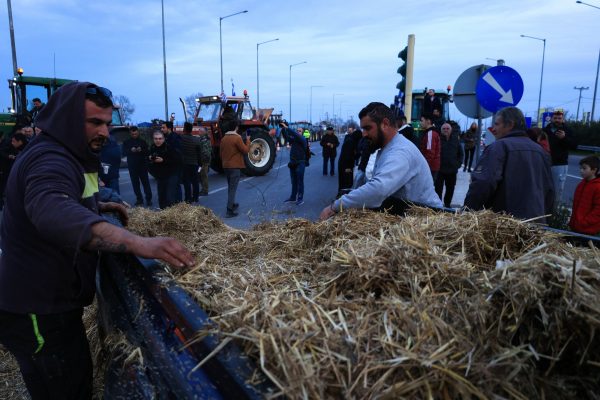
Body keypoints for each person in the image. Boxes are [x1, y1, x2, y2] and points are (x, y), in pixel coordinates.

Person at [0, 82, 195, 400]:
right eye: (94, 122)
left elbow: (69, 196)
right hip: (36, 310)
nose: (105, 132)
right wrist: (137, 243)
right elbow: (54, 212)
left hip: (53, 303)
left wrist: (99, 205)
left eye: (107, 123)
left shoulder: (71, 154)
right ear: (67, 120)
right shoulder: (51, 159)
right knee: (64, 389)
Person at [320, 102, 441, 220]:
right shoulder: (387, 148)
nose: (364, 134)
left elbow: (378, 189)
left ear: (385, 124)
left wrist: (335, 206)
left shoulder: (400, 152)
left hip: (426, 223)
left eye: (368, 128)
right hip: (409, 220)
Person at [464, 106, 554, 221]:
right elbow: (550, 191)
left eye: (497, 124)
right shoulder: (540, 151)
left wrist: (468, 212)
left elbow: (483, 183)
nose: (493, 128)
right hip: (535, 225)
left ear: (510, 125)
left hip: (505, 226)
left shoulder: (498, 147)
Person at [543, 110, 576, 207]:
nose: (557, 120)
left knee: (557, 191)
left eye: (559, 118)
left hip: (560, 164)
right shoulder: (546, 130)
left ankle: (554, 215)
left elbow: (574, 145)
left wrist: (564, 138)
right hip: (545, 163)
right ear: (551, 119)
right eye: (555, 118)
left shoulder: (568, 131)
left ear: (563, 119)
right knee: (544, 189)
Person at [219, 116, 250, 217]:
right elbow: (245, 151)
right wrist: (248, 141)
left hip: (226, 166)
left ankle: (232, 204)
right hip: (235, 167)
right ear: (236, 127)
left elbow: (220, 153)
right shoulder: (237, 138)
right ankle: (229, 211)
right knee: (233, 189)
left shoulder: (224, 138)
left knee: (230, 187)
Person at [568, 155, 600, 235]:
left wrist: (584, 222)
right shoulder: (581, 184)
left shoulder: (598, 187)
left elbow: (598, 210)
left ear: (594, 170)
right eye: (580, 168)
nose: (581, 171)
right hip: (576, 227)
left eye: (584, 168)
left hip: (588, 230)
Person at [148, 131, 180, 209]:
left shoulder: (169, 148)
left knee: (170, 198)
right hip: (160, 177)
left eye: (160, 138)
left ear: (163, 139)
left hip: (171, 175)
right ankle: (163, 215)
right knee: (162, 198)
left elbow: (177, 161)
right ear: (153, 139)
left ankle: (172, 215)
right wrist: (150, 159)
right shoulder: (152, 148)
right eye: (156, 139)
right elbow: (147, 161)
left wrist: (163, 160)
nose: (158, 140)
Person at [122, 126, 152, 206]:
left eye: (135, 133)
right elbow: (123, 152)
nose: (134, 135)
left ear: (138, 132)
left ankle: (148, 199)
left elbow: (148, 152)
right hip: (132, 167)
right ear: (130, 133)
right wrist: (130, 150)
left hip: (142, 166)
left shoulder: (143, 142)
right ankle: (139, 199)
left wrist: (141, 150)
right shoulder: (126, 142)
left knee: (146, 183)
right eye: (133, 134)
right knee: (135, 184)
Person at [435, 123, 463, 208]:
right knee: (438, 189)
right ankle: (438, 206)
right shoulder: (438, 139)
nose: (446, 130)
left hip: (452, 170)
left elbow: (460, 154)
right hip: (440, 170)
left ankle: (447, 205)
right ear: (441, 130)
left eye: (447, 128)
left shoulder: (455, 140)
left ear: (451, 130)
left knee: (450, 189)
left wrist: (457, 164)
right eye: (444, 128)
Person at [281, 121, 308, 205]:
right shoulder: (294, 140)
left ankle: (300, 199)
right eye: (297, 130)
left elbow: (295, 134)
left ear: (302, 133)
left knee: (300, 181)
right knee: (294, 181)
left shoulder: (303, 139)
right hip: (292, 163)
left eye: (299, 131)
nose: (297, 132)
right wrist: (283, 129)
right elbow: (287, 137)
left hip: (300, 163)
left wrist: (287, 127)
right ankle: (293, 197)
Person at [0, 133, 27, 209]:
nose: (12, 143)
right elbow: (2, 152)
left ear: (20, 142)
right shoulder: (10, 145)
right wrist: (9, 156)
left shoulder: (27, 148)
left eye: (14, 141)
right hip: (7, 169)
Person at [161, 120, 183, 204]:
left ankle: (179, 205)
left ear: (169, 128)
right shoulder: (167, 138)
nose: (162, 129)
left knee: (175, 187)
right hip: (170, 167)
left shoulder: (174, 139)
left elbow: (177, 154)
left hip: (175, 167)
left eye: (163, 127)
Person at [180, 122, 202, 203]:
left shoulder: (181, 138)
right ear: (191, 130)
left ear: (184, 129)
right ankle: (196, 197)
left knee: (187, 182)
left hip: (185, 163)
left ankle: (188, 198)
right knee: (195, 181)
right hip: (194, 163)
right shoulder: (196, 140)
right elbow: (199, 154)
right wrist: (200, 164)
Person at [337, 127, 362, 197]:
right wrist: (347, 168)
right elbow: (348, 156)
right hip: (346, 166)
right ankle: (341, 199)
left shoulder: (351, 140)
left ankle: (341, 198)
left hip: (344, 165)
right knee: (346, 183)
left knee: (345, 183)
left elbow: (352, 155)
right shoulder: (350, 142)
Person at [419, 114, 441, 180]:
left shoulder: (430, 133)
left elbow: (430, 153)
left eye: (422, 120)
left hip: (430, 168)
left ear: (428, 121)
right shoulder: (431, 132)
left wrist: (423, 167)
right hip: (432, 167)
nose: (420, 123)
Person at [198, 127, 212, 196]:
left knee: (204, 175)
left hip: (204, 161)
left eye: (200, 131)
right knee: (201, 175)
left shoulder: (205, 140)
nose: (199, 132)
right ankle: (203, 189)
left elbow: (206, 152)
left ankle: (205, 190)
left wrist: (204, 161)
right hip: (201, 161)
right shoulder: (202, 139)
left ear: (204, 132)